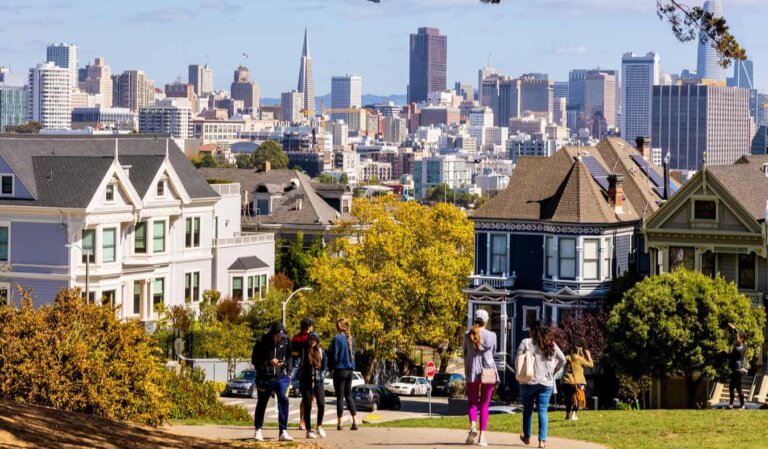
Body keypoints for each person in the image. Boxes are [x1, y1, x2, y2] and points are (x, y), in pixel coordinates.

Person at [518, 321, 566, 449]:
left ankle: (527, 437)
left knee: (527, 410)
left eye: (530, 329)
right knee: (543, 410)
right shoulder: (551, 345)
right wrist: (553, 371)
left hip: (528, 380)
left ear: (533, 331)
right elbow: (563, 360)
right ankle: (542, 441)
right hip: (546, 382)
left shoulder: (526, 343)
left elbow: (518, 360)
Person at [251, 321, 293, 442]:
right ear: (272, 334)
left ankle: (283, 431)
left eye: (281, 336)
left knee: (284, 400)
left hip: (281, 376)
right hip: (264, 377)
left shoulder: (286, 341)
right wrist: (269, 362)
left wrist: (289, 373)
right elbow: (254, 360)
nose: (279, 338)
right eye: (277, 336)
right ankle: (258, 430)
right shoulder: (261, 341)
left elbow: (289, 356)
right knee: (262, 403)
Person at [463, 309, 497, 447]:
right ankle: (482, 438)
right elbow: (493, 352)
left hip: (472, 371)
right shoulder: (492, 335)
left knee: (472, 402)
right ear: (486, 321)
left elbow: (464, 352)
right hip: (488, 371)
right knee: (484, 404)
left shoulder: (467, 335)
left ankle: (473, 426)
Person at [328, 318, 358, 431]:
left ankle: (340, 423)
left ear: (339, 326)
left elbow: (334, 355)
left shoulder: (337, 339)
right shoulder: (351, 339)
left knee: (340, 397)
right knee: (349, 396)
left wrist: (331, 368)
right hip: (350, 370)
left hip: (340, 369)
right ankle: (355, 421)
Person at [299, 332, 327, 439]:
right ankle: (309, 429)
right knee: (308, 405)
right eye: (311, 339)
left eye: (314, 339)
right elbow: (298, 365)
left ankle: (319, 426)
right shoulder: (304, 351)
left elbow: (324, 367)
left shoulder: (321, 351)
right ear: (308, 340)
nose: (312, 341)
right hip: (306, 382)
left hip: (318, 382)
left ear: (317, 340)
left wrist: (321, 376)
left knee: (321, 403)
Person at [291, 317, 316, 431]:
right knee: (308, 398)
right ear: (309, 327)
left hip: (297, 372)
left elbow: (293, 354)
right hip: (309, 371)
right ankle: (304, 421)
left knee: (305, 397)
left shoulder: (295, 338)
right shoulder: (310, 338)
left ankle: (302, 421)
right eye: (312, 326)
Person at [562, 346, 593, 421]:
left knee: (568, 398)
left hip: (566, 381)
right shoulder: (580, 359)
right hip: (576, 382)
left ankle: (567, 415)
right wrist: (588, 355)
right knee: (578, 398)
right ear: (579, 351)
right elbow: (591, 365)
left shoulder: (567, 357)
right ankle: (574, 415)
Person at [727, 323, 747, 410]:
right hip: (739, 369)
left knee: (736, 388)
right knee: (734, 387)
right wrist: (734, 329)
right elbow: (736, 334)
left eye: (738, 338)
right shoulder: (744, 346)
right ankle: (734, 404)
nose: (736, 338)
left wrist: (723, 354)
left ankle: (740, 405)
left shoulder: (738, 348)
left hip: (737, 370)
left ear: (742, 339)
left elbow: (730, 357)